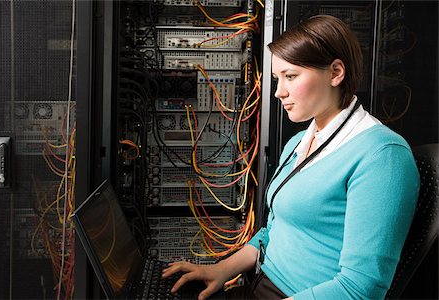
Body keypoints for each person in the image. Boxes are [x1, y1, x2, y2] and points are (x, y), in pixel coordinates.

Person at [162, 15, 420, 300]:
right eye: (277, 78)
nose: (278, 91)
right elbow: (274, 228)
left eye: (291, 76)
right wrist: (221, 269)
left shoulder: (382, 156)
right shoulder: (299, 142)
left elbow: (361, 289)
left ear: (335, 72)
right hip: (257, 285)